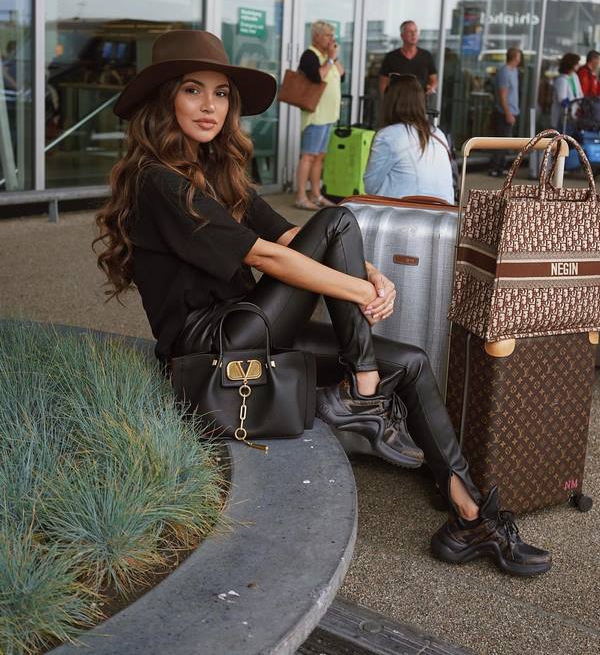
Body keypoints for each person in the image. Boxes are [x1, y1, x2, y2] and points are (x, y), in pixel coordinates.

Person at [95, 29, 551, 577]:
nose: (210, 106)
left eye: (220, 93)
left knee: (410, 361)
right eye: (193, 90)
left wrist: (369, 273)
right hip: (211, 348)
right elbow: (269, 257)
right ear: (164, 100)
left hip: (253, 327)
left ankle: (469, 515)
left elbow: (289, 235)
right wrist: (358, 290)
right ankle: (362, 391)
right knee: (338, 219)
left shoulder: (218, 172)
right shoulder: (157, 182)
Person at [364, 74, 454, 203]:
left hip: (405, 212)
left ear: (390, 103)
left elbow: (370, 186)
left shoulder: (388, 136)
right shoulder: (438, 133)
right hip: (444, 211)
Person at [295, 21, 344, 211]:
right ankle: (301, 196)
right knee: (308, 156)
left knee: (319, 156)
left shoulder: (327, 57)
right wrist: (330, 59)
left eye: (333, 36)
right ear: (316, 36)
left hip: (329, 115)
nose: (332, 39)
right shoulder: (310, 55)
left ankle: (316, 194)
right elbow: (317, 77)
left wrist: (334, 58)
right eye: (328, 36)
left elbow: (342, 75)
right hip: (316, 115)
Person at [378, 21, 437, 97]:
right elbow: (383, 83)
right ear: (402, 36)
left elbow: (434, 79)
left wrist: (432, 88)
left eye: (415, 31)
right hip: (397, 101)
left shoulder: (426, 55)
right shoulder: (391, 57)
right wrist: (385, 101)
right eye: (410, 32)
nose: (414, 34)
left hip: (420, 101)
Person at [489, 47, 522, 177]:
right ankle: (494, 167)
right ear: (514, 57)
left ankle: (501, 166)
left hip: (513, 110)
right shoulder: (505, 72)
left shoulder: (515, 71)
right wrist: (508, 113)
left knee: (506, 141)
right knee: (501, 141)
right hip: (504, 112)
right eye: (519, 56)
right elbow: (502, 96)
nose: (520, 59)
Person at [551, 52, 583, 132]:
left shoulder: (574, 76)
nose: (578, 65)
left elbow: (579, 93)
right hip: (563, 117)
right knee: (563, 135)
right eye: (577, 63)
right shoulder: (561, 80)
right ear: (571, 64)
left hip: (574, 116)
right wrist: (573, 104)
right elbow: (562, 99)